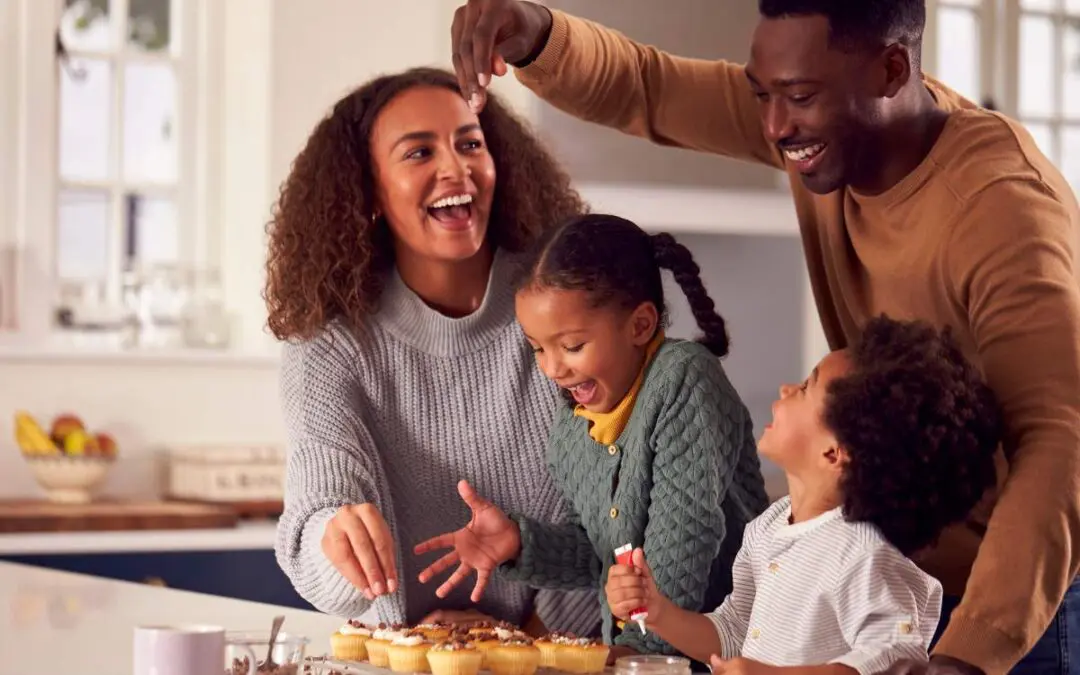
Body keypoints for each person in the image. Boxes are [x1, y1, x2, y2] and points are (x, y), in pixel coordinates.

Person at [446, 1, 1080, 673]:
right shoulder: (833, 123)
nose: (775, 126)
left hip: (1007, 604)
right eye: (762, 95)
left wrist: (965, 656)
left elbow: (1059, 441)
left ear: (891, 69)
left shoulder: (1003, 210)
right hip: (872, 562)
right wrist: (537, 34)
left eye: (799, 97)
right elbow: (651, 86)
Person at [265, 65, 599, 636]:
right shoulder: (330, 344)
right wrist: (336, 538)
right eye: (419, 153)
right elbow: (318, 507)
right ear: (367, 193)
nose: (456, 168)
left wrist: (514, 642)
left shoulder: (568, 310)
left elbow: (614, 521)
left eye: (470, 144)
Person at [412, 213, 769, 662]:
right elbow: (602, 555)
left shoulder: (685, 381)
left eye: (572, 346)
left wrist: (630, 658)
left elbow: (686, 544)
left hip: (734, 655)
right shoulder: (572, 431)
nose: (552, 368)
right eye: (538, 348)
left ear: (640, 325)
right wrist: (520, 543)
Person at [607, 316, 1002, 675]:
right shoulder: (768, 527)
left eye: (806, 386)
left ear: (834, 453)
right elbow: (731, 634)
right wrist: (658, 612)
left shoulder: (867, 557)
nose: (786, 388)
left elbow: (891, 663)